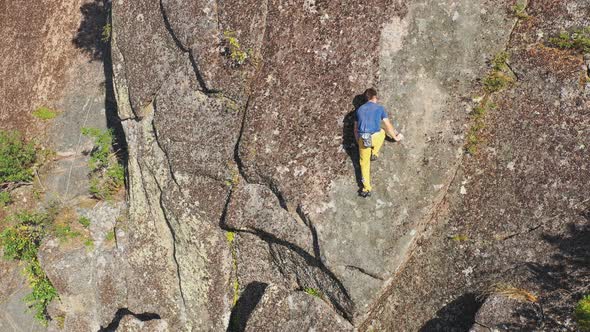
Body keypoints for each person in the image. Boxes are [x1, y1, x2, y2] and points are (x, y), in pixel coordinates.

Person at [354, 88, 403, 198]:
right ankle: (375, 153)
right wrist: (395, 137)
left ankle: (366, 188)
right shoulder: (379, 108)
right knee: (382, 132)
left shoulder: (359, 110)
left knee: (364, 164)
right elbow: (388, 125)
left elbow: (355, 129)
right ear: (374, 97)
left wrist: (359, 142)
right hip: (374, 136)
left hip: (363, 138)